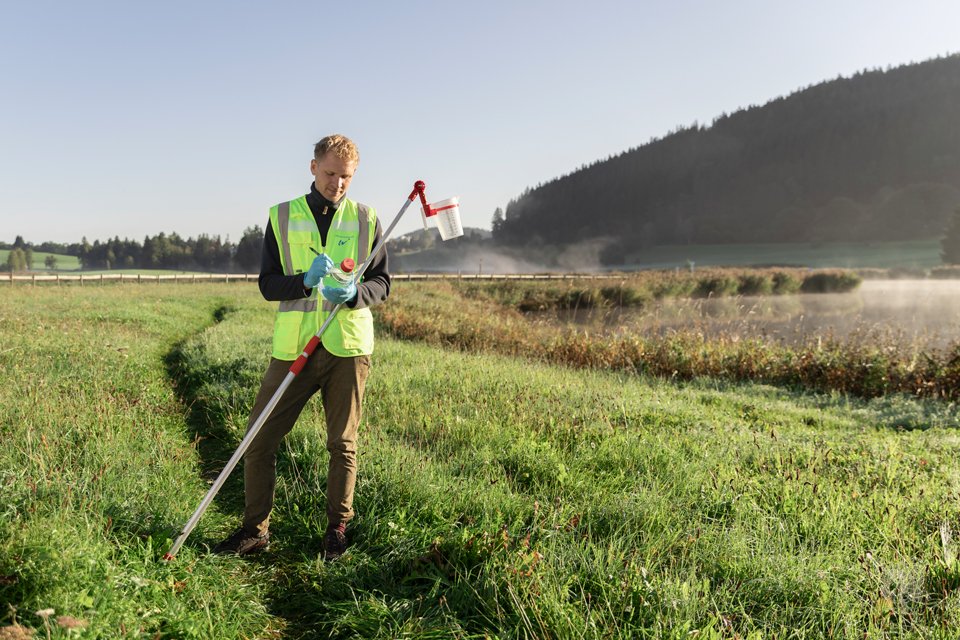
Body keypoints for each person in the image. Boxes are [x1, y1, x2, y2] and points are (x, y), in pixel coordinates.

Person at [213, 134, 390, 561]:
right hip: (295, 348)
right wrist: (305, 281)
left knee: (342, 445)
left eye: (346, 177)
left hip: (347, 347)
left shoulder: (368, 219)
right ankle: (254, 531)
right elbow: (268, 285)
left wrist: (354, 295)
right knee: (259, 439)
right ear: (313, 168)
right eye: (330, 174)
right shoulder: (281, 217)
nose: (337, 184)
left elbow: (382, 284)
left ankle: (337, 531)